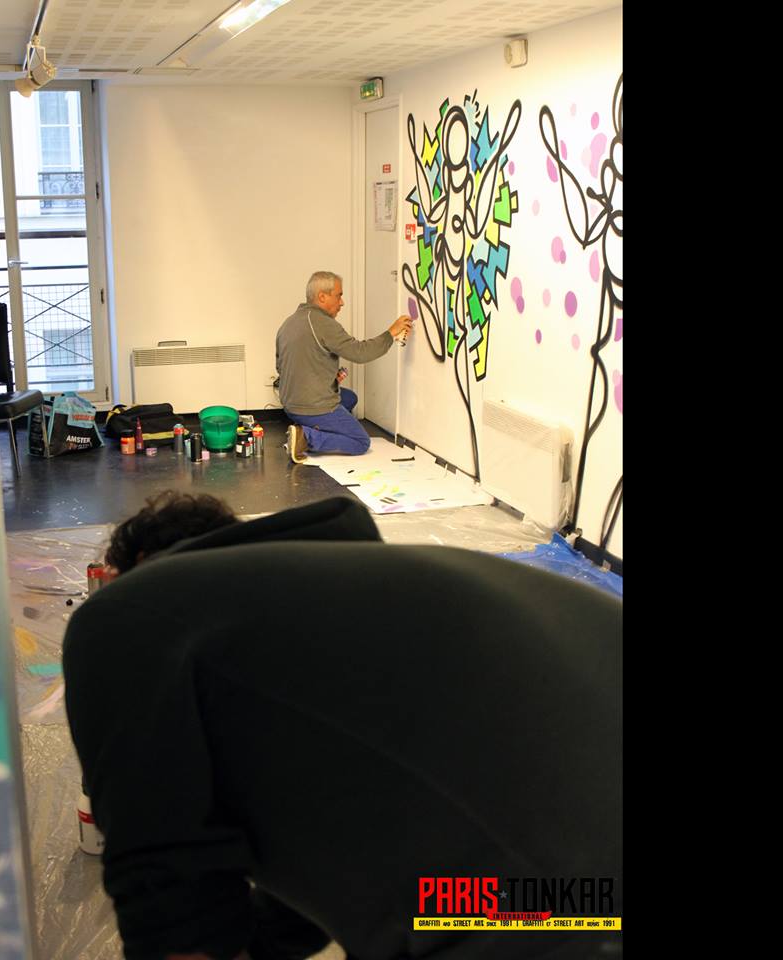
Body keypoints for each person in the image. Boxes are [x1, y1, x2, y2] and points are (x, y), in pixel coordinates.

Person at [63, 493, 623, 960]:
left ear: (142, 565)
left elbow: (171, 900)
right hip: (571, 893)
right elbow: (327, 867)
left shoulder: (129, 613)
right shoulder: (353, 607)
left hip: (548, 897)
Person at [276, 272, 413, 463]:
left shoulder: (288, 323)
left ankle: (308, 427)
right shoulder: (323, 323)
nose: (342, 302)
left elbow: (282, 367)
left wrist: (327, 377)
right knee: (360, 442)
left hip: (290, 405)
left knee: (350, 398)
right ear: (322, 297)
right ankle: (306, 437)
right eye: (338, 295)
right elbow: (360, 353)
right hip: (312, 408)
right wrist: (391, 333)